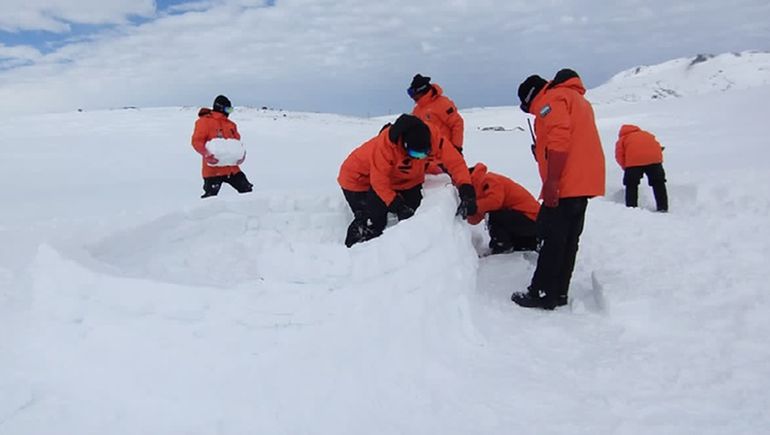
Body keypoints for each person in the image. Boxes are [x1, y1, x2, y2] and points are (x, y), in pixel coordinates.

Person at [511, 69, 605, 310]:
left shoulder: (551, 100)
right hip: (582, 183)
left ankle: (542, 293)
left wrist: (552, 181)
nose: (530, 112)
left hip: (565, 184)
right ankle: (559, 292)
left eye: (526, 107)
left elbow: (559, 140)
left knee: (552, 239)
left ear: (530, 97)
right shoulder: (577, 100)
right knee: (568, 241)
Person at [337, 114, 477, 247]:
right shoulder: (386, 147)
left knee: (414, 215)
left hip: (403, 180)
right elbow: (379, 181)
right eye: (415, 154)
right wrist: (396, 204)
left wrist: (466, 188)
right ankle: (355, 251)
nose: (419, 158)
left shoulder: (434, 139)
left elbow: (455, 163)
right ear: (404, 145)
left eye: (424, 154)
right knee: (374, 219)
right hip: (357, 179)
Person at [466, 163, 541, 254]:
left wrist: (472, 206)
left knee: (493, 216)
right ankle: (530, 243)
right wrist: (465, 214)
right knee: (495, 217)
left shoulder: (488, 180)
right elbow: (476, 217)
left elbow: (495, 202)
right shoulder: (478, 189)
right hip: (527, 220)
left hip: (531, 218)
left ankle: (501, 246)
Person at [191, 95, 252, 198]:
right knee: (210, 199)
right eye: (228, 109)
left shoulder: (231, 125)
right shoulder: (204, 122)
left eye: (231, 110)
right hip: (213, 170)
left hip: (232, 169)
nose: (229, 113)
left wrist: (241, 156)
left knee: (247, 190)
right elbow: (197, 141)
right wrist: (206, 154)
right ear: (220, 108)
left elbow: (237, 144)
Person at [408, 74, 465, 175]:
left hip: (444, 159)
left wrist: (456, 148)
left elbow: (457, 124)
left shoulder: (442, 103)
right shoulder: (417, 110)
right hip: (425, 161)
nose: (412, 97)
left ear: (421, 90)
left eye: (412, 93)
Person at [615, 124, 668, 212]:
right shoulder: (647, 134)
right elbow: (657, 146)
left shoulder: (623, 139)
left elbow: (619, 155)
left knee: (631, 184)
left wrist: (626, 167)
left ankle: (631, 207)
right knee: (659, 183)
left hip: (633, 162)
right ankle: (663, 207)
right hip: (654, 160)